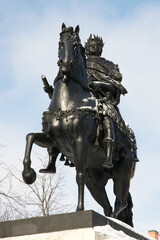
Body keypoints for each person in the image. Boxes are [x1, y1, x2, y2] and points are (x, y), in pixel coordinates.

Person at [84, 34, 138, 168]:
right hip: (84, 100)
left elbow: (115, 87)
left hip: (103, 99)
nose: (92, 46)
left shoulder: (108, 65)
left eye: (95, 45)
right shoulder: (79, 65)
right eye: (90, 44)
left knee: (107, 114)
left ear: (100, 48)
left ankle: (109, 152)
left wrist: (101, 85)